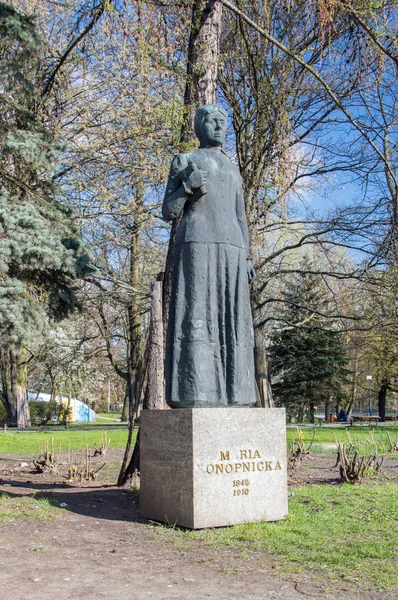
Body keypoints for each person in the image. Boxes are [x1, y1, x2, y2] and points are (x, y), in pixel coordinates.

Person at [162, 104, 256, 408]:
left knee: (234, 318)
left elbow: (241, 216)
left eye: (223, 121)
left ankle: (237, 393)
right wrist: (187, 186)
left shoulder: (232, 168)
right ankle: (195, 391)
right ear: (200, 126)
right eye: (213, 121)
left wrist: (249, 258)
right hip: (197, 243)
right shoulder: (185, 161)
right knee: (197, 313)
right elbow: (168, 211)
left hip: (233, 249)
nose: (219, 126)